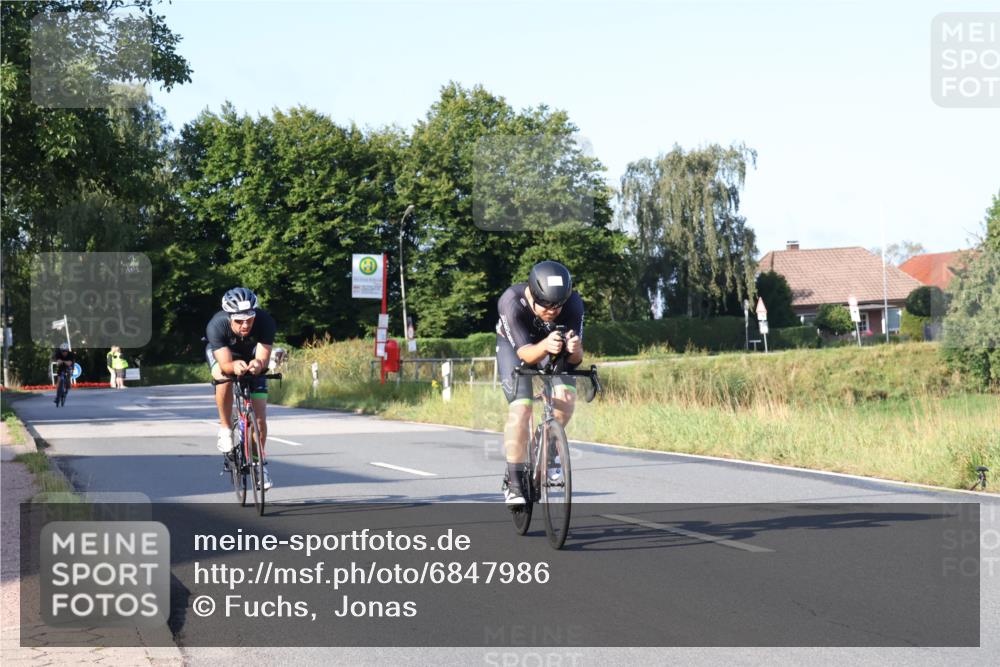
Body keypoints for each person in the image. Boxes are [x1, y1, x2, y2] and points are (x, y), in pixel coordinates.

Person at [495, 261, 584, 506]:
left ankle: (547, 446)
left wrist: (575, 350)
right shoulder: (511, 302)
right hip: (515, 349)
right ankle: (513, 481)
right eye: (546, 305)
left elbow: (576, 360)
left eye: (558, 305)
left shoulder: (573, 303)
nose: (553, 311)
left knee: (566, 399)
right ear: (532, 294)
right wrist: (545, 345)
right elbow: (525, 354)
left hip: (553, 347)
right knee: (521, 409)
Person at [205, 287, 277, 490]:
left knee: (260, 418)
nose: (245, 324)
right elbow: (227, 364)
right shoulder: (217, 326)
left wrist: (257, 365)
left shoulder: (265, 322)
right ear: (230, 317)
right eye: (239, 320)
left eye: (249, 319)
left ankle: (258, 464)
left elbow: (263, 357)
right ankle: (226, 428)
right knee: (223, 377)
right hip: (225, 355)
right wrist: (233, 367)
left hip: (250, 355)